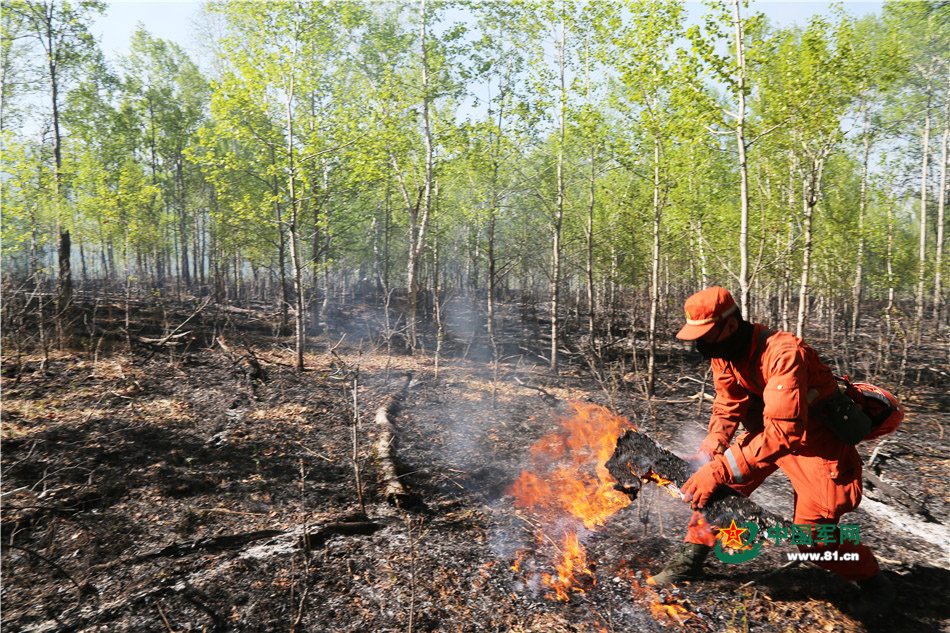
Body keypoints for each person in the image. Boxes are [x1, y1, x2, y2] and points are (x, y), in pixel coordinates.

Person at [652, 286, 895, 619]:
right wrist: (710, 452)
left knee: (814, 539)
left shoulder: (783, 352)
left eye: (706, 335)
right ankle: (689, 561)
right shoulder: (723, 352)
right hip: (770, 433)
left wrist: (720, 469)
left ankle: (874, 582)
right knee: (717, 494)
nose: (701, 345)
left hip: (816, 443)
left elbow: (786, 433)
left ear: (731, 325)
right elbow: (727, 404)